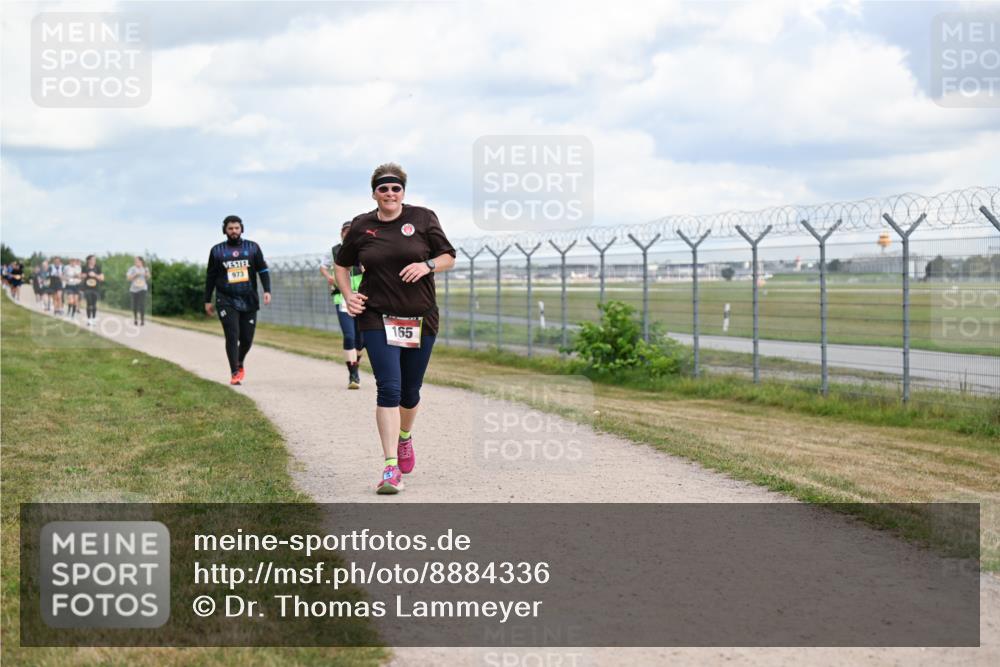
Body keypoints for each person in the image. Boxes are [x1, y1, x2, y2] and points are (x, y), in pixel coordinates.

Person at [335, 163, 455, 494]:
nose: (390, 194)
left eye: (396, 188)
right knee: (388, 387)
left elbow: (448, 257)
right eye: (383, 189)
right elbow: (342, 265)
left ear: (404, 192)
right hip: (377, 316)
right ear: (374, 193)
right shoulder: (362, 226)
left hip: (420, 317)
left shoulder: (423, 218)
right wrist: (348, 296)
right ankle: (390, 468)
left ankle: (405, 437)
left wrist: (427, 264)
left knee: (410, 391)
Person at [204, 215, 271, 385]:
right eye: (230, 228)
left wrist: (267, 290)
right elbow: (210, 276)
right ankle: (234, 372)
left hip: (249, 298)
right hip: (226, 299)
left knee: (247, 339)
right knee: (232, 335)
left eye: (236, 228)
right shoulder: (217, 251)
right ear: (224, 230)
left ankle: (239, 361)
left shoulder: (253, 248)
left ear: (241, 229)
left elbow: (263, 270)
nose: (234, 231)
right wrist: (207, 300)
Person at [321, 221, 365, 389]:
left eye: (351, 231)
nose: (347, 234)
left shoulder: (363, 249)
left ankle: (355, 363)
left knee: (361, 341)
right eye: (345, 231)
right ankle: (353, 374)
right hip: (342, 298)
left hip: (361, 298)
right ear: (341, 233)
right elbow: (323, 267)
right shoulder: (334, 250)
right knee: (349, 336)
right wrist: (329, 277)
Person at [126, 256, 151, 326]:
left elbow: (148, 277)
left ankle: (142, 320)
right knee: (135, 305)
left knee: (142, 304)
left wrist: (146, 274)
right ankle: (135, 319)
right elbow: (128, 278)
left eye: (137, 261)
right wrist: (135, 275)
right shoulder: (132, 268)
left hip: (143, 288)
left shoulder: (145, 268)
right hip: (134, 289)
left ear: (141, 261)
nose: (136, 262)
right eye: (135, 261)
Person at [81, 255, 104, 326]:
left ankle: (93, 319)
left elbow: (102, 278)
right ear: (89, 260)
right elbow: (81, 276)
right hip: (87, 288)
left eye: (95, 259)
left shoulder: (98, 267)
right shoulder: (85, 267)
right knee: (89, 303)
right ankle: (89, 320)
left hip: (95, 288)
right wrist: (87, 274)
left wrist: (95, 275)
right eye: (93, 259)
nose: (94, 261)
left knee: (94, 304)